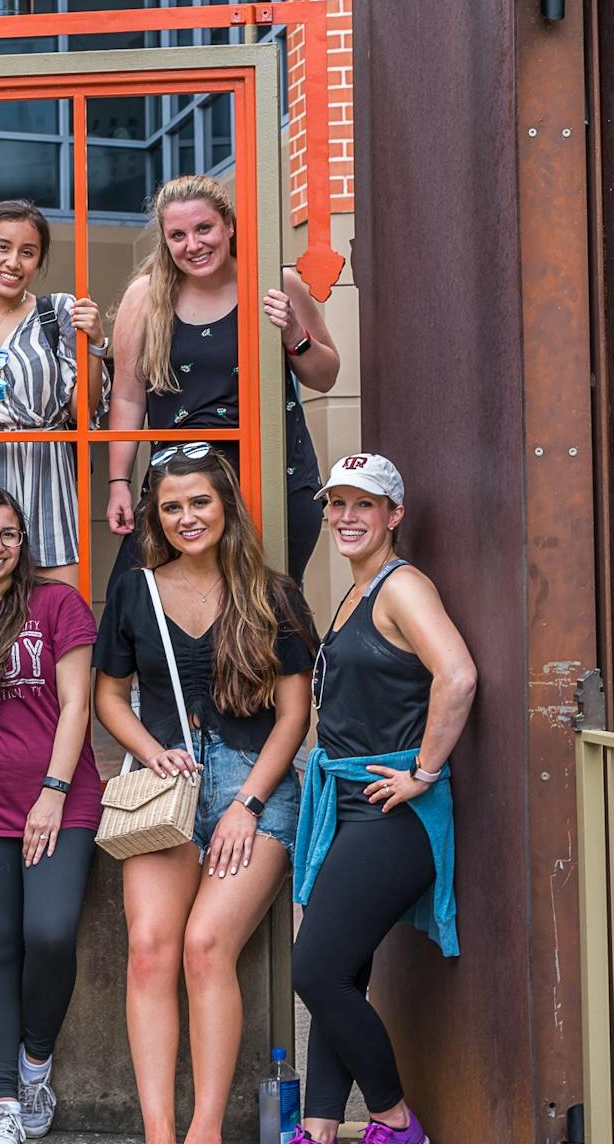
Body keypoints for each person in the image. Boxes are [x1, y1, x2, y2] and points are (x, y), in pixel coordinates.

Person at [92, 445, 315, 1144]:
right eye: (172, 506)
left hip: (254, 785)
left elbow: (294, 714)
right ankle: (161, 1132)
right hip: (167, 788)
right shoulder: (135, 590)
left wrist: (248, 806)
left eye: (200, 502)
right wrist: (147, 749)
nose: (187, 517)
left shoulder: (274, 594)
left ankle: (206, 1132)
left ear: (226, 507)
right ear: (156, 517)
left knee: (206, 946)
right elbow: (109, 695)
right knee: (153, 948)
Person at [289, 454, 474, 1144]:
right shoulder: (356, 591)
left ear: (394, 516)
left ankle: (395, 1122)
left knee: (315, 968)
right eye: (337, 503)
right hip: (346, 805)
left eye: (364, 505)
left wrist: (423, 773)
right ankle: (318, 1131)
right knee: (342, 971)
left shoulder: (401, 587)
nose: (346, 516)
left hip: (393, 811)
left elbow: (455, 675)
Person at [0, 488, 102, 1144]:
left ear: (23, 542)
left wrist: (53, 792)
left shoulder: (56, 604)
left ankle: (36, 1061)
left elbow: (78, 704)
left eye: (8, 534)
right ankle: (3, 1099)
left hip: (60, 798)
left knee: (52, 933)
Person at [105, 174, 340, 587]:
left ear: (228, 224)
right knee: (142, 599)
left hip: (270, 478)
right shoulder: (145, 296)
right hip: (180, 489)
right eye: (178, 235)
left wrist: (293, 337)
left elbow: (326, 376)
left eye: (203, 228)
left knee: (267, 611)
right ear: (165, 239)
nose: (193, 245)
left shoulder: (274, 282)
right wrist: (119, 483)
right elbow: (127, 398)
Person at [0, 202, 107, 587]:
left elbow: (82, 412)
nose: (13, 262)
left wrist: (94, 346)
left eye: (27, 252)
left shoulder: (56, 313)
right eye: (2, 247)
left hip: (44, 474)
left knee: (58, 607)